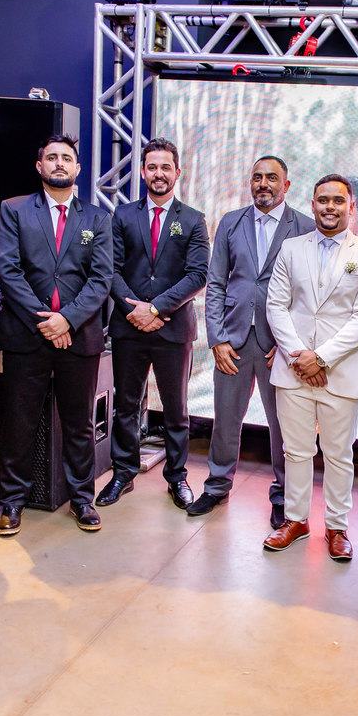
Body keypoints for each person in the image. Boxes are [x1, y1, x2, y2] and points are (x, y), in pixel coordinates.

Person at [0, 135, 113, 535]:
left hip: (78, 338)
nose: (59, 163)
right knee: (19, 422)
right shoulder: (14, 210)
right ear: (39, 166)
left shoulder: (97, 218)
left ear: (77, 168)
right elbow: (8, 270)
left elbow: (101, 278)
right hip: (26, 335)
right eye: (52, 157)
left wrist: (68, 320)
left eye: (66, 158)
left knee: (79, 425)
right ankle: (12, 501)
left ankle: (81, 499)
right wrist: (45, 321)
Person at [263, 174, 358, 559]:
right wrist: (299, 355)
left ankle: (337, 526)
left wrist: (321, 358)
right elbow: (276, 305)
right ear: (313, 204)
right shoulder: (291, 248)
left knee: (338, 454)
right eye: (322, 200)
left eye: (338, 200)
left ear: (351, 206)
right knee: (296, 451)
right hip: (293, 369)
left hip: (341, 371)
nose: (329, 207)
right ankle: (295, 520)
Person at [193, 156, 315, 527]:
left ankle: (284, 496)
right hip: (233, 341)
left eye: (272, 178)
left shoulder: (305, 227)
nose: (263, 184)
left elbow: (309, 295)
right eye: (257, 177)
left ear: (286, 185)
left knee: (284, 426)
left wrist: (292, 343)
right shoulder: (231, 222)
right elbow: (216, 283)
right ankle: (216, 486)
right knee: (225, 420)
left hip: (280, 346)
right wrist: (217, 338)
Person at [97, 138, 209, 510]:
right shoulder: (122, 215)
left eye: (165, 167)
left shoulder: (193, 219)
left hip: (173, 329)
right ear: (143, 172)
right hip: (128, 327)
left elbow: (197, 275)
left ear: (177, 172)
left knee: (176, 409)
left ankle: (177, 478)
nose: (158, 174)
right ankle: (123, 473)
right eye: (152, 167)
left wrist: (156, 309)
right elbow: (109, 270)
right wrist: (136, 310)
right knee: (126, 405)